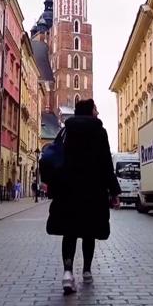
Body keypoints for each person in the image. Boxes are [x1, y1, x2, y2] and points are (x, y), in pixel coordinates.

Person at [46, 99, 120, 294]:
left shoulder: (65, 131)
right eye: (95, 109)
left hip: (68, 190)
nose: (97, 112)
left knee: (69, 232)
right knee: (89, 231)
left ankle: (68, 273)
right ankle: (86, 271)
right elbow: (106, 164)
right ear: (89, 111)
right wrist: (114, 192)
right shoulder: (100, 132)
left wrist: (53, 187)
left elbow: (55, 160)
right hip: (93, 191)